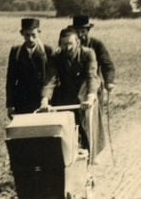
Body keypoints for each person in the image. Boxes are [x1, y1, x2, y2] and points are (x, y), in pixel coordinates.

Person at [40, 26, 105, 162]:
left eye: (70, 43)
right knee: (68, 128)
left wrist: (91, 95)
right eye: (64, 44)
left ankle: (92, 154)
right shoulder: (56, 57)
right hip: (66, 96)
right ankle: (71, 157)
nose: (67, 47)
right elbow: (50, 79)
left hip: (86, 94)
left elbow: (91, 76)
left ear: (77, 43)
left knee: (88, 126)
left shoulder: (88, 54)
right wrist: (45, 99)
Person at [5, 17, 54, 120]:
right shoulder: (16, 52)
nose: (30, 39)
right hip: (22, 100)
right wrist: (10, 104)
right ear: (21, 33)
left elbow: (51, 78)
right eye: (27, 35)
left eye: (33, 35)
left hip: (42, 100)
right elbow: (11, 79)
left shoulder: (47, 51)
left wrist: (47, 99)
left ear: (39, 32)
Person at [72, 15, 116, 103]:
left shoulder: (96, 44)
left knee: (93, 114)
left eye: (83, 31)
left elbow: (107, 64)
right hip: (73, 87)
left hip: (93, 85)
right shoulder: (69, 44)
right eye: (77, 32)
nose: (80, 35)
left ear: (88, 31)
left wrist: (109, 81)